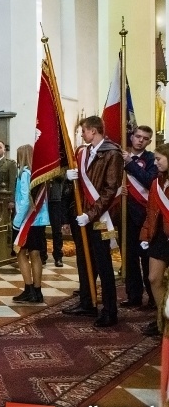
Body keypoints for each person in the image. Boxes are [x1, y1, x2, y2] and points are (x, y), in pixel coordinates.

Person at [63, 116, 123, 327]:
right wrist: (71, 177)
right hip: (82, 216)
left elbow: (110, 190)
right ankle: (87, 302)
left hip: (101, 218)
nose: (81, 134)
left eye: (84, 131)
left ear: (94, 131)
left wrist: (91, 214)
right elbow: (82, 183)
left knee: (103, 262)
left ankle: (109, 310)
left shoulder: (112, 153)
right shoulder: (84, 152)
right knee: (84, 258)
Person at [120, 125, 157, 309]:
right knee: (129, 257)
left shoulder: (151, 159)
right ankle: (133, 295)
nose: (140, 140)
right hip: (124, 213)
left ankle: (152, 298)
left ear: (149, 141)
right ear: (132, 136)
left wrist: (130, 164)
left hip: (144, 215)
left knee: (146, 257)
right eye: (137, 136)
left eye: (145, 138)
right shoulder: (120, 156)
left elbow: (150, 181)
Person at [10, 144, 49, 304]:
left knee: (20, 253)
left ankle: (29, 289)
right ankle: (37, 291)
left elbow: (25, 200)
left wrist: (17, 221)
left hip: (27, 220)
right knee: (36, 254)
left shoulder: (24, 174)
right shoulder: (38, 174)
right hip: (39, 220)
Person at [138, 142, 169, 337]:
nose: (155, 162)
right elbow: (150, 211)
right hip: (159, 237)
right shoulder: (156, 182)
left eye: (158, 159)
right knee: (153, 278)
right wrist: (145, 235)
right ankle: (162, 318)